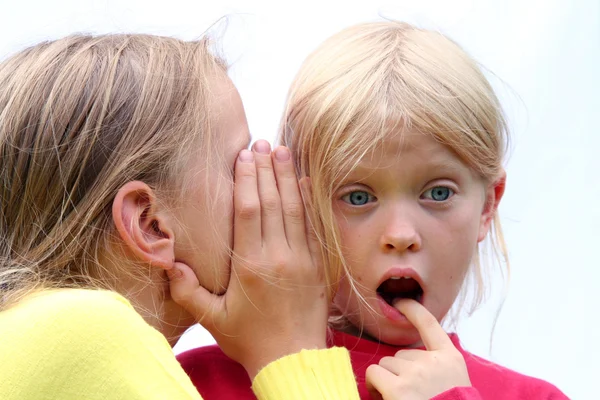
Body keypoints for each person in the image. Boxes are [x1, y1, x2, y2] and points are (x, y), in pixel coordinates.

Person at [176, 21, 569, 399]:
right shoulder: (190, 384)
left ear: (488, 205)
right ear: (303, 207)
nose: (400, 235)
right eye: (358, 197)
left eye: (438, 193)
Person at [0, 33, 361, 399]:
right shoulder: (84, 331)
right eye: (240, 164)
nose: (267, 188)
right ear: (150, 224)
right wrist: (292, 348)